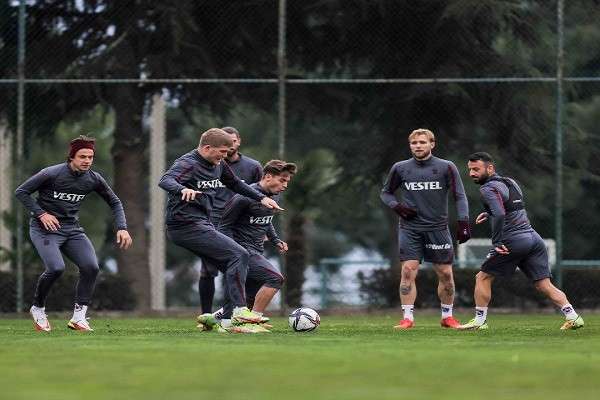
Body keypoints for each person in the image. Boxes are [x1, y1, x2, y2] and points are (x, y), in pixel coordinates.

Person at [158, 128, 282, 333]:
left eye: (227, 152)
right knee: (239, 254)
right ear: (207, 148)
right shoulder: (188, 163)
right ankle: (241, 313)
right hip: (184, 225)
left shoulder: (218, 164)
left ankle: (226, 322)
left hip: (201, 224)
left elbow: (235, 184)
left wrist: (261, 198)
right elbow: (165, 180)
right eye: (222, 152)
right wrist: (182, 189)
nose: (225, 156)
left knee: (233, 264)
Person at [15, 135, 133, 332]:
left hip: (72, 229)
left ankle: (78, 318)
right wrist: (41, 213)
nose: (87, 161)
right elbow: (21, 192)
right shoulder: (50, 174)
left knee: (91, 267)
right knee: (56, 268)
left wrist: (122, 227)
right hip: (44, 230)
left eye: (90, 157)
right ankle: (38, 308)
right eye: (82, 157)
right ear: (71, 157)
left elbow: (115, 202)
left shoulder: (93, 179)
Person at [459, 152, 584, 330]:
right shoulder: (511, 182)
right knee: (544, 284)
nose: (472, 173)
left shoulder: (487, 188)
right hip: (533, 239)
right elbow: (512, 206)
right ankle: (573, 316)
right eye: (470, 169)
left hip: (514, 241)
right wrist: (489, 213)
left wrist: (496, 241)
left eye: (476, 169)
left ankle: (480, 322)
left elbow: (501, 213)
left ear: (490, 168)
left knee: (482, 277)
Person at [380, 128, 471, 329]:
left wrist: (464, 222)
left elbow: (460, 196)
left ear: (432, 144)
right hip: (410, 228)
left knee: (446, 273)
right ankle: (407, 318)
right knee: (408, 271)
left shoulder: (446, 167)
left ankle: (447, 317)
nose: (418, 146)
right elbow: (386, 193)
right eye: (414, 143)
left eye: (422, 142)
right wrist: (398, 207)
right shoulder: (400, 168)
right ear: (410, 145)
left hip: (438, 228)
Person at [197, 160, 296, 333]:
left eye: (287, 181)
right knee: (275, 278)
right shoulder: (244, 196)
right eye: (282, 180)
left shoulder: (274, 196)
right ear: (268, 176)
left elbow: (267, 219)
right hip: (242, 251)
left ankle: (213, 319)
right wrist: (233, 252)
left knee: (249, 297)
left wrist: (276, 240)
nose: (285, 185)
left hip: (257, 249)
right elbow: (223, 226)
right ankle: (253, 320)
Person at [198, 126, 262, 315]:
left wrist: (264, 228)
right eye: (225, 144)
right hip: (213, 221)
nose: (230, 146)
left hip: (242, 225)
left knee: (240, 265)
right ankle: (206, 315)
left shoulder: (253, 167)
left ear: (239, 141)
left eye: (233, 142)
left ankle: (237, 312)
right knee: (208, 270)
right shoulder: (210, 165)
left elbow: (262, 193)